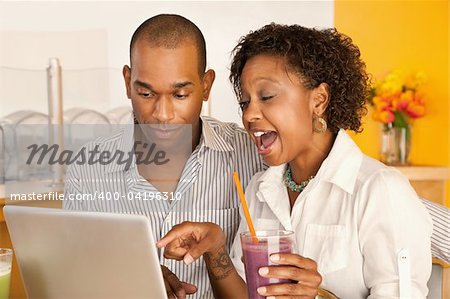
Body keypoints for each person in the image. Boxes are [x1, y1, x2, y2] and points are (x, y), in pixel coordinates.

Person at [157, 23, 433, 298]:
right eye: (245, 102)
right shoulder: (259, 190)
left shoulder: (379, 190)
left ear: (319, 100)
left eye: (267, 96)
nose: (250, 114)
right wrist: (216, 251)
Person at [63, 14, 264, 299]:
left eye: (180, 94)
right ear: (128, 81)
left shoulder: (252, 156)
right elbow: (72, 275)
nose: (163, 115)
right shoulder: (87, 168)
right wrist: (128, 278)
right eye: (146, 93)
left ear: (206, 85)